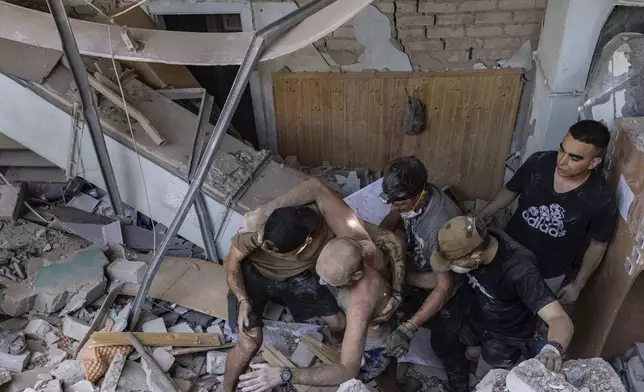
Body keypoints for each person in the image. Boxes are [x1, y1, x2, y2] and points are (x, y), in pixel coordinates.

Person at [223, 178, 406, 392]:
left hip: (296, 278)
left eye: (275, 250)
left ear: (308, 244)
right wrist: (243, 299)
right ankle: (226, 389)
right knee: (248, 343)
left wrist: (397, 291)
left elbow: (390, 241)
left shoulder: (341, 233)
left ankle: (339, 350)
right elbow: (230, 262)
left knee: (338, 322)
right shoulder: (259, 230)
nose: (264, 246)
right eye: (264, 245)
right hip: (253, 275)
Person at [477, 120, 617, 302]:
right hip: (506, 253)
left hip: (547, 274)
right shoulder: (539, 162)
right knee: (490, 303)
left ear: (593, 162)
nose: (562, 161)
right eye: (562, 150)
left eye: (574, 158)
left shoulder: (600, 198)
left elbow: (598, 245)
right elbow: (511, 190)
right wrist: (483, 215)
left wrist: (578, 285)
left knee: (527, 320)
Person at [237, 237, 401, 392]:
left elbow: (347, 369)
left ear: (356, 275)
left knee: (380, 373)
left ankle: (394, 386)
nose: (322, 282)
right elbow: (394, 243)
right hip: (376, 322)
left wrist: (284, 374)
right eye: (321, 275)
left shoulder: (359, 306)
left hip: (374, 345)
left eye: (331, 281)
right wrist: (398, 290)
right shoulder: (363, 248)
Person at [431, 216, 574, 378]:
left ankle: (479, 377)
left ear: (476, 257)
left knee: (485, 374)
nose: (451, 268)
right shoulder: (484, 236)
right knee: (469, 352)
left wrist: (553, 349)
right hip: (482, 314)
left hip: (505, 336)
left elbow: (558, 318)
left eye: (454, 263)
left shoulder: (520, 270)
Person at [377, 156, 466, 392]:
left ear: (420, 194)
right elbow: (394, 216)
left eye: (399, 203)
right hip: (418, 273)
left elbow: (444, 286)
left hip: (445, 291)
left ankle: (460, 387)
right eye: (390, 201)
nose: (394, 207)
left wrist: (409, 328)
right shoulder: (410, 201)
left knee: (446, 346)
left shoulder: (441, 224)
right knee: (389, 323)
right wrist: (379, 239)